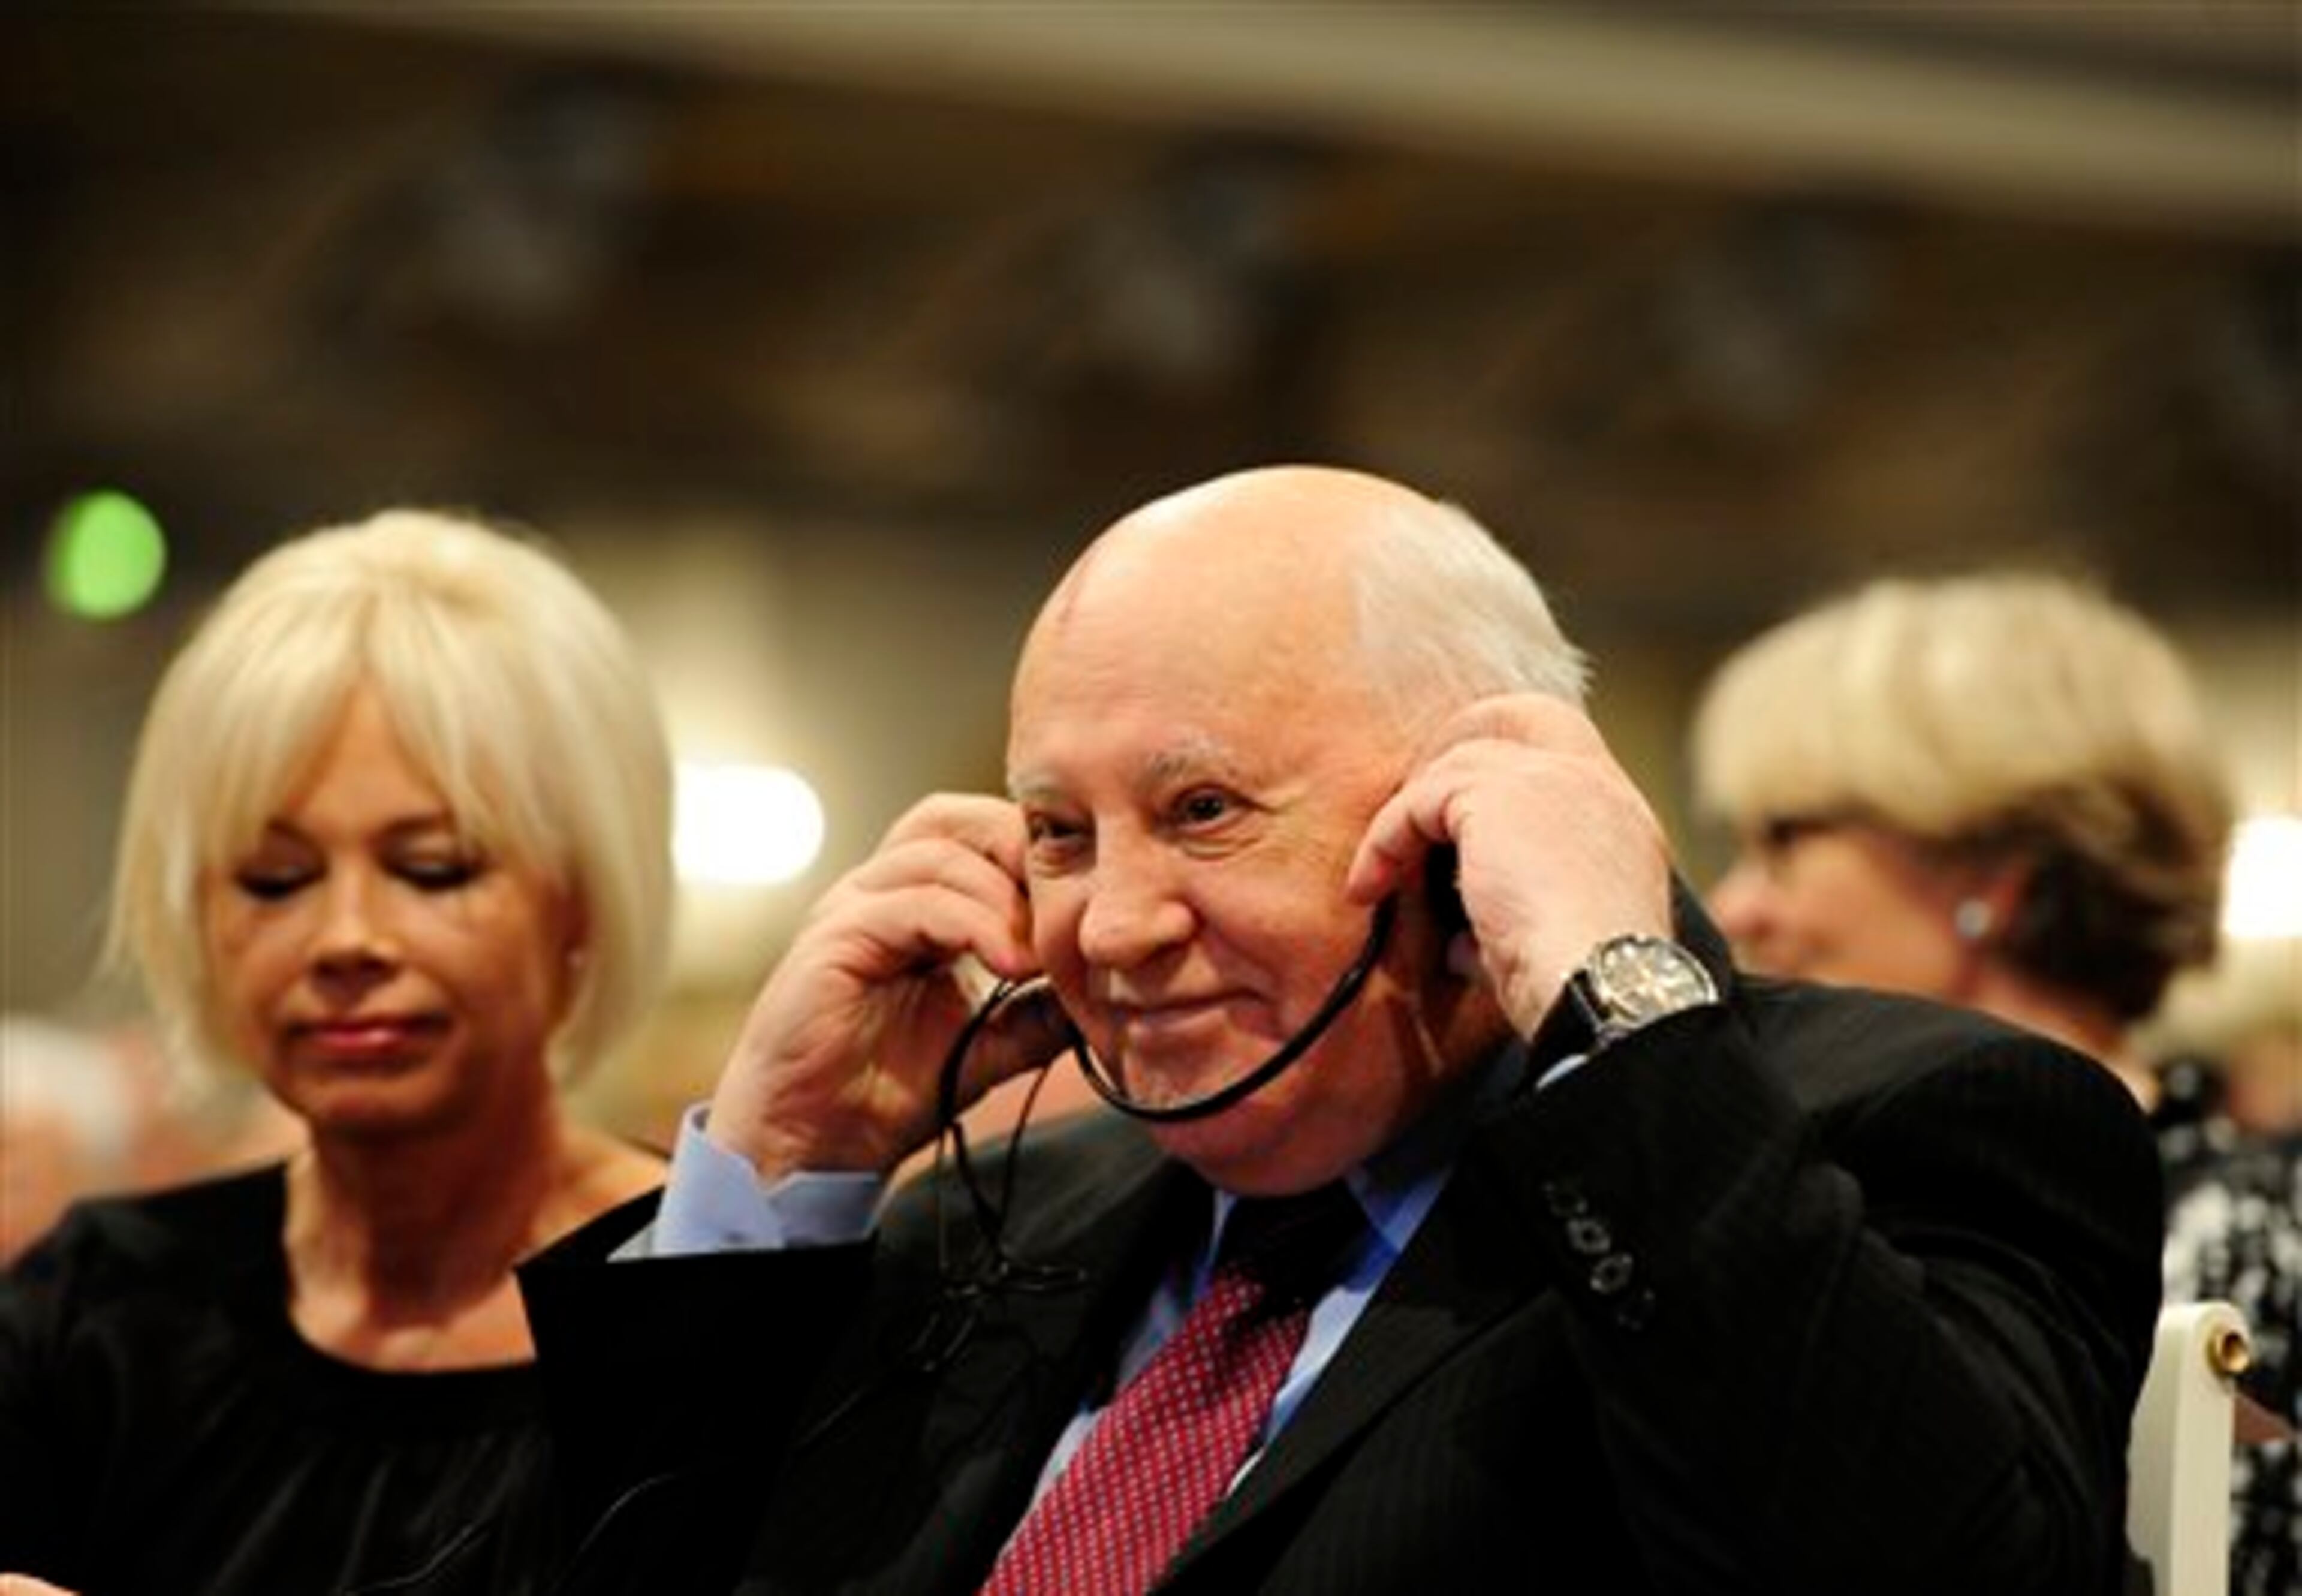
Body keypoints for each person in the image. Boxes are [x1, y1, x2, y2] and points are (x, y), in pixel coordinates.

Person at [521, 466, 2162, 1596]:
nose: (1107, 922)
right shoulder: (979, 1222)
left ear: (1472, 806)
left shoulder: (1907, 1127)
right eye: (1061, 832)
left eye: (1206, 806)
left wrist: (1610, 983)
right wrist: (776, 1170)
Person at [0, 509, 676, 1595]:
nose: (345, 939)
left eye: (435, 867)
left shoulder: (715, 1307)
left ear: (582, 898)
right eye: (274, 879)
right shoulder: (101, 1315)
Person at [1689, 570, 2296, 1596]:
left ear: (1991, 877)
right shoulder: (1769, 1193)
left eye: (1785, 840)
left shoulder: (2252, 1241)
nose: (1735, 904)